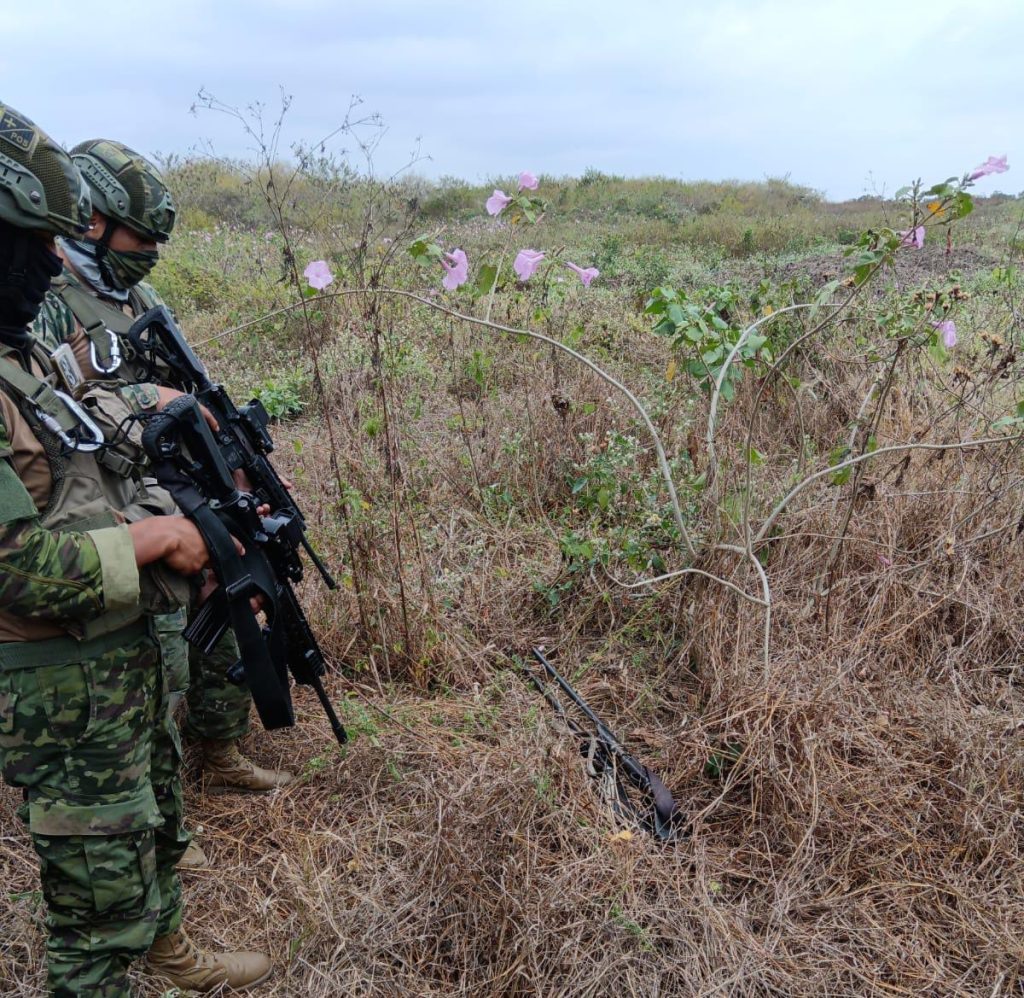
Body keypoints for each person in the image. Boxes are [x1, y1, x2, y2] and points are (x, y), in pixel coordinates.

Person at [0, 102, 271, 995]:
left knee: (145, 811)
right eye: (32, 243)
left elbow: (94, 460)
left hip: (109, 655)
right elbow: (16, 567)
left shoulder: (16, 359)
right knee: (92, 914)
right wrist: (159, 537)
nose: (50, 261)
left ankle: (166, 947)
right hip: (56, 677)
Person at [33, 138, 293, 805]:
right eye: (139, 238)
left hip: (174, 482)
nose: (147, 254)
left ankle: (220, 745)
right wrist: (154, 403)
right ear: (91, 221)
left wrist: (240, 472)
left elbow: (190, 386)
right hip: (105, 497)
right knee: (159, 650)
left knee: (234, 592)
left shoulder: (132, 293)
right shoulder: (43, 296)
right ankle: (157, 801)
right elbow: (49, 411)